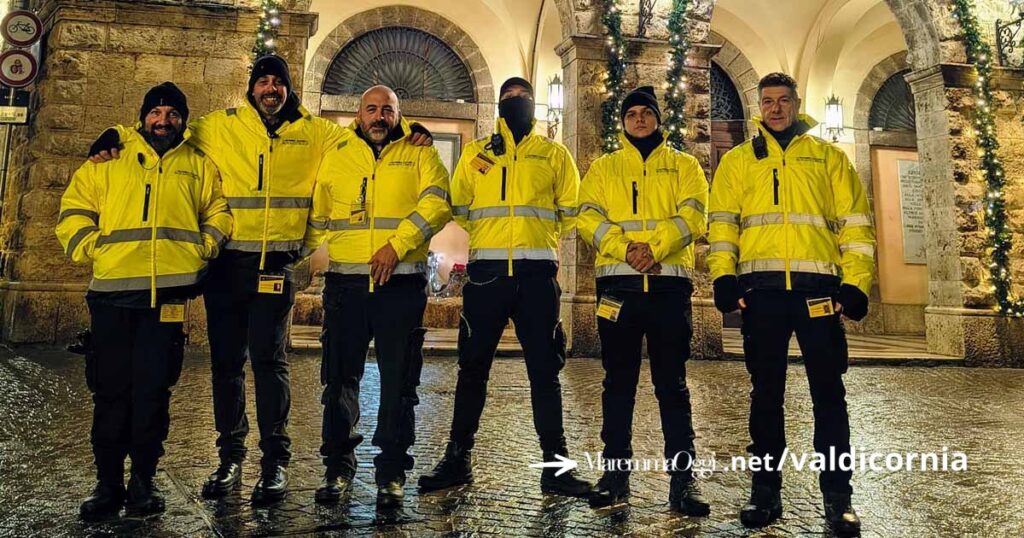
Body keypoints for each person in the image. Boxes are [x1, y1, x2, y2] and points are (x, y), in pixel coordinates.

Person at [86, 55, 433, 505]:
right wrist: (114, 134)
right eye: (263, 81)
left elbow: (366, 133)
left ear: (288, 89)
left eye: (278, 82)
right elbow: (167, 128)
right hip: (227, 269)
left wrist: (413, 129)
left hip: (276, 270)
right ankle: (230, 458)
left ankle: (274, 463)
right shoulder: (220, 126)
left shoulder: (318, 132)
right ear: (252, 89)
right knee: (226, 367)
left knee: (270, 365)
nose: (271, 89)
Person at [708, 72, 874, 536]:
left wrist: (855, 285)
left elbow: (857, 225)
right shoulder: (738, 161)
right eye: (768, 101)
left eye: (783, 100)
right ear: (759, 107)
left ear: (796, 103)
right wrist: (724, 277)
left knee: (829, 397)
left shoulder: (829, 158)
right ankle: (765, 492)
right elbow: (722, 226)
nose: (776, 108)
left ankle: (838, 498)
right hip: (761, 294)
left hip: (819, 293)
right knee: (765, 397)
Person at [57, 82, 233, 520]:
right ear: (143, 117)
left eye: (172, 113)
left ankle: (143, 482)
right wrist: (93, 247)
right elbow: (74, 208)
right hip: (113, 296)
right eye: (156, 112)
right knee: (110, 392)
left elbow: (219, 211)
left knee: (154, 393)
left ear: (183, 120)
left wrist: (205, 246)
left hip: (168, 298)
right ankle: (107, 484)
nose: (163, 120)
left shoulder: (197, 163)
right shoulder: (109, 159)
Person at [417, 77, 591, 498]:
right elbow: (460, 206)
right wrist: (493, 237)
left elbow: (570, 211)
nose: (516, 102)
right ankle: (457, 459)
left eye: (523, 97)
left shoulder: (554, 154)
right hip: (486, 276)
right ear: (498, 105)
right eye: (509, 98)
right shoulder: (477, 153)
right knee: (471, 370)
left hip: (537, 278)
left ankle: (556, 467)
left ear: (533, 103)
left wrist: (537, 240)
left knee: (545, 373)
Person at [304, 85, 451, 508]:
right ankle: (337, 468)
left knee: (399, 384)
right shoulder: (336, 154)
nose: (379, 116)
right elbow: (318, 214)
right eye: (371, 109)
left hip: (400, 287)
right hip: (345, 287)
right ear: (359, 114)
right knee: (338, 381)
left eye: (388, 109)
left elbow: (438, 204)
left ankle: (391, 474)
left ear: (398, 115)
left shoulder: (421, 152)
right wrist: (295, 259)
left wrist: (397, 246)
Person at [577, 86, 710, 514]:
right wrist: (625, 249)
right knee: (618, 385)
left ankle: (683, 481)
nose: (639, 119)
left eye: (646, 113)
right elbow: (588, 217)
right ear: (623, 121)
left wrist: (655, 247)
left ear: (658, 119)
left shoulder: (685, 165)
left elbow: (694, 216)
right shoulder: (604, 167)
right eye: (631, 113)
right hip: (618, 288)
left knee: (673, 386)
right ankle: (615, 476)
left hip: (669, 289)